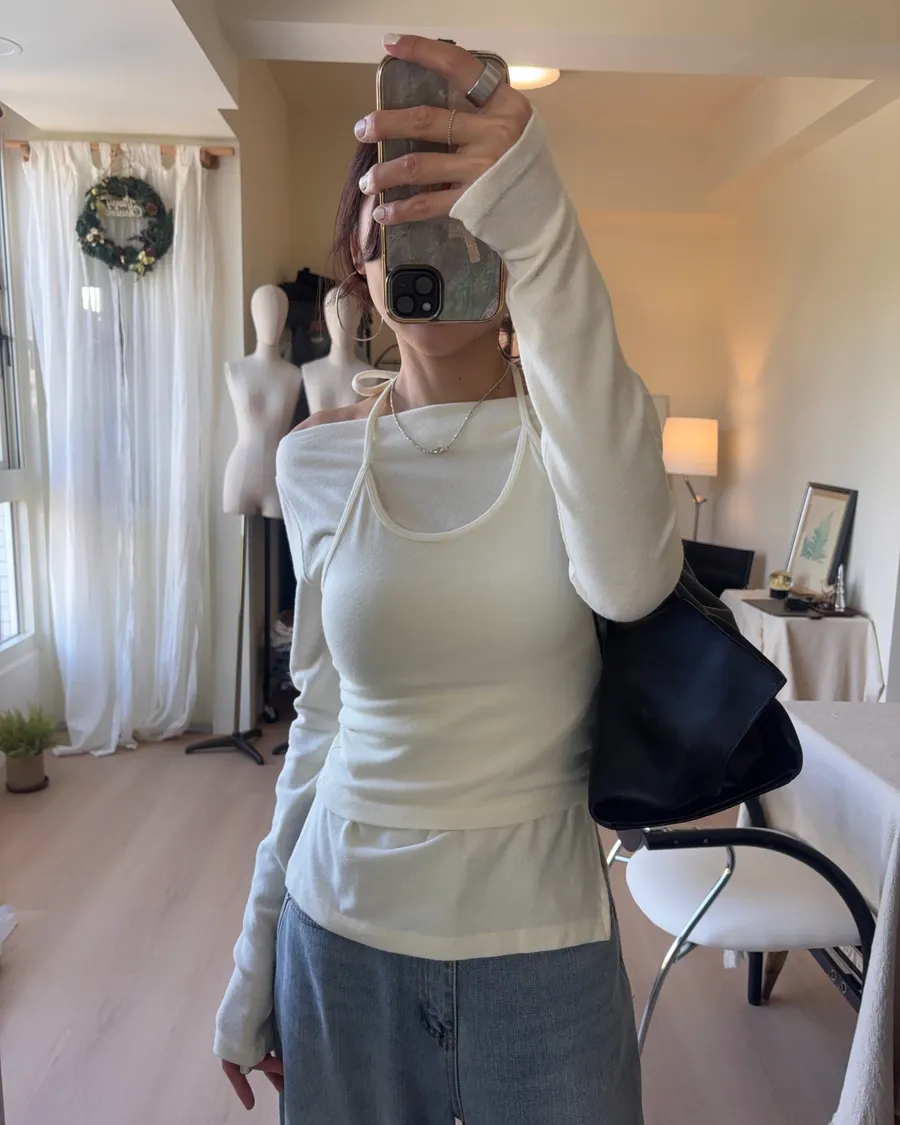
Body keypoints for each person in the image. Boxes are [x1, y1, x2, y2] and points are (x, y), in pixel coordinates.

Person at [214, 33, 682, 1125]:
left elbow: (630, 584)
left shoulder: (590, 440)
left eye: (474, 214)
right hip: (340, 942)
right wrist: (253, 957)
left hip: (546, 953)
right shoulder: (315, 459)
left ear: (513, 251)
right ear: (362, 250)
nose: (437, 242)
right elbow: (320, 719)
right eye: (405, 210)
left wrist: (544, 217)